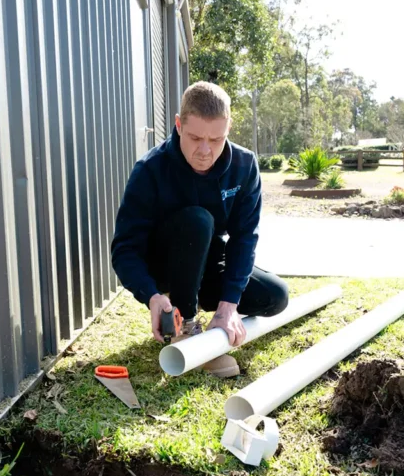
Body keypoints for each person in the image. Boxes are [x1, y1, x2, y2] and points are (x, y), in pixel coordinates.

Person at [111, 81, 289, 378]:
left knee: (274, 296)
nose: (205, 151)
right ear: (179, 125)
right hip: (165, 263)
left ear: (228, 129)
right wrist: (151, 295)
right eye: (195, 138)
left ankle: (207, 310)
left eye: (216, 139)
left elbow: (244, 238)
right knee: (198, 220)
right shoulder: (150, 170)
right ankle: (187, 325)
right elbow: (124, 250)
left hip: (207, 258)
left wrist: (227, 307)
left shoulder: (244, 166)